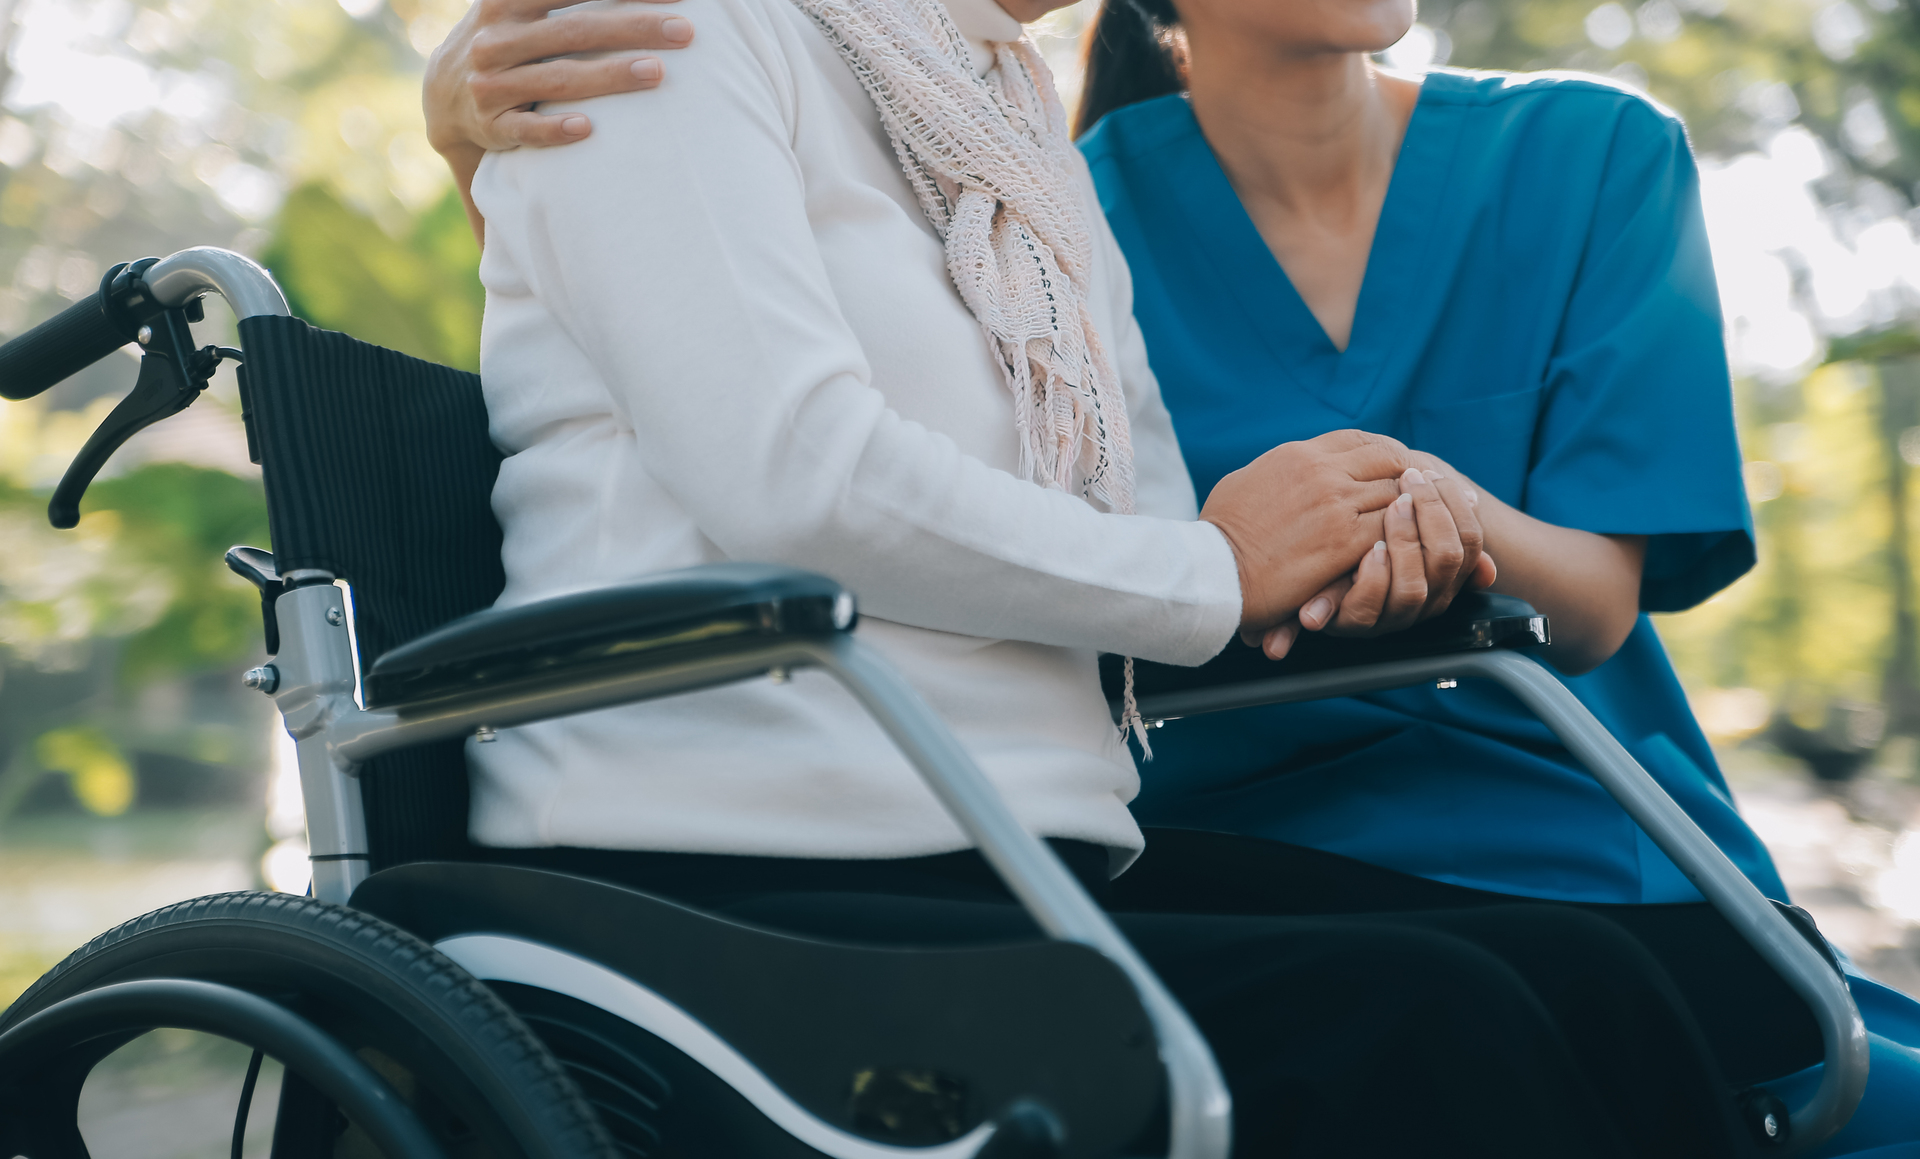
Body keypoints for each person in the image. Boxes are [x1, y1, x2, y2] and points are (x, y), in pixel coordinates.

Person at [413, 0, 1781, 1153]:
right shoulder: (667, 37)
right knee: (1439, 1019)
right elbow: (794, 471)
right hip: (732, 861)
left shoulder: (1003, 130)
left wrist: (1324, 531)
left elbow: (1148, 526)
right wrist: (1214, 569)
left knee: (1596, 981)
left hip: (1023, 848)